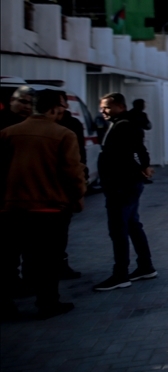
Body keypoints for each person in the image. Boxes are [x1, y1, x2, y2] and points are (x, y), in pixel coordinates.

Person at [0, 89, 86, 319]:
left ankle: (5, 306)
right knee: (46, 260)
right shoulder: (63, 134)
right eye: (62, 107)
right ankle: (47, 303)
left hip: (12, 208)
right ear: (53, 108)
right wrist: (78, 196)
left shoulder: (8, 133)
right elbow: (73, 172)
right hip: (49, 208)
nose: (63, 111)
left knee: (8, 260)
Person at [94, 92, 157, 292]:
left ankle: (121, 274)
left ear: (120, 107)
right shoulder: (119, 124)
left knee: (119, 229)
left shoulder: (124, 125)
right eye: (102, 107)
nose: (103, 111)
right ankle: (145, 266)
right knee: (132, 225)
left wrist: (143, 167)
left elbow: (139, 150)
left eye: (107, 107)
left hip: (122, 186)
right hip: (124, 184)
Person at [56, 98, 86, 280]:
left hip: (58, 195)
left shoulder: (70, 126)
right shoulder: (64, 131)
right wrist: (80, 191)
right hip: (55, 196)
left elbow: (77, 161)